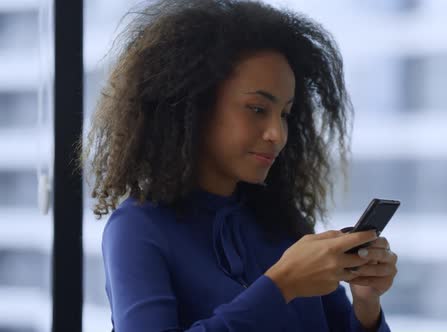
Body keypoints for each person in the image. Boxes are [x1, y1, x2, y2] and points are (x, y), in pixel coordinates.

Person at [81, 0, 398, 331]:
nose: (277, 134)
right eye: (258, 109)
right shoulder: (138, 229)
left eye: (286, 115)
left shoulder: (285, 226)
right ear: (195, 106)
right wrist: (282, 285)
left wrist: (365, 303)